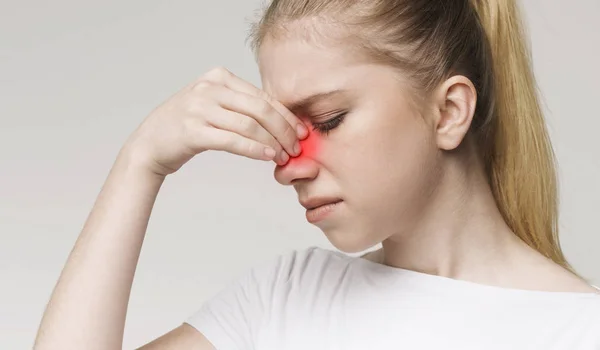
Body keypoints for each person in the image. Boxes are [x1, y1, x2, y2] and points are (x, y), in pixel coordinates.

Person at [33, 0, 600, 349]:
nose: (289, 167)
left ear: (449, 111)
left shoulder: (578, 332)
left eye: (327, 120)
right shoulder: (285, 297)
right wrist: (140, 162)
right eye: (285, 127)